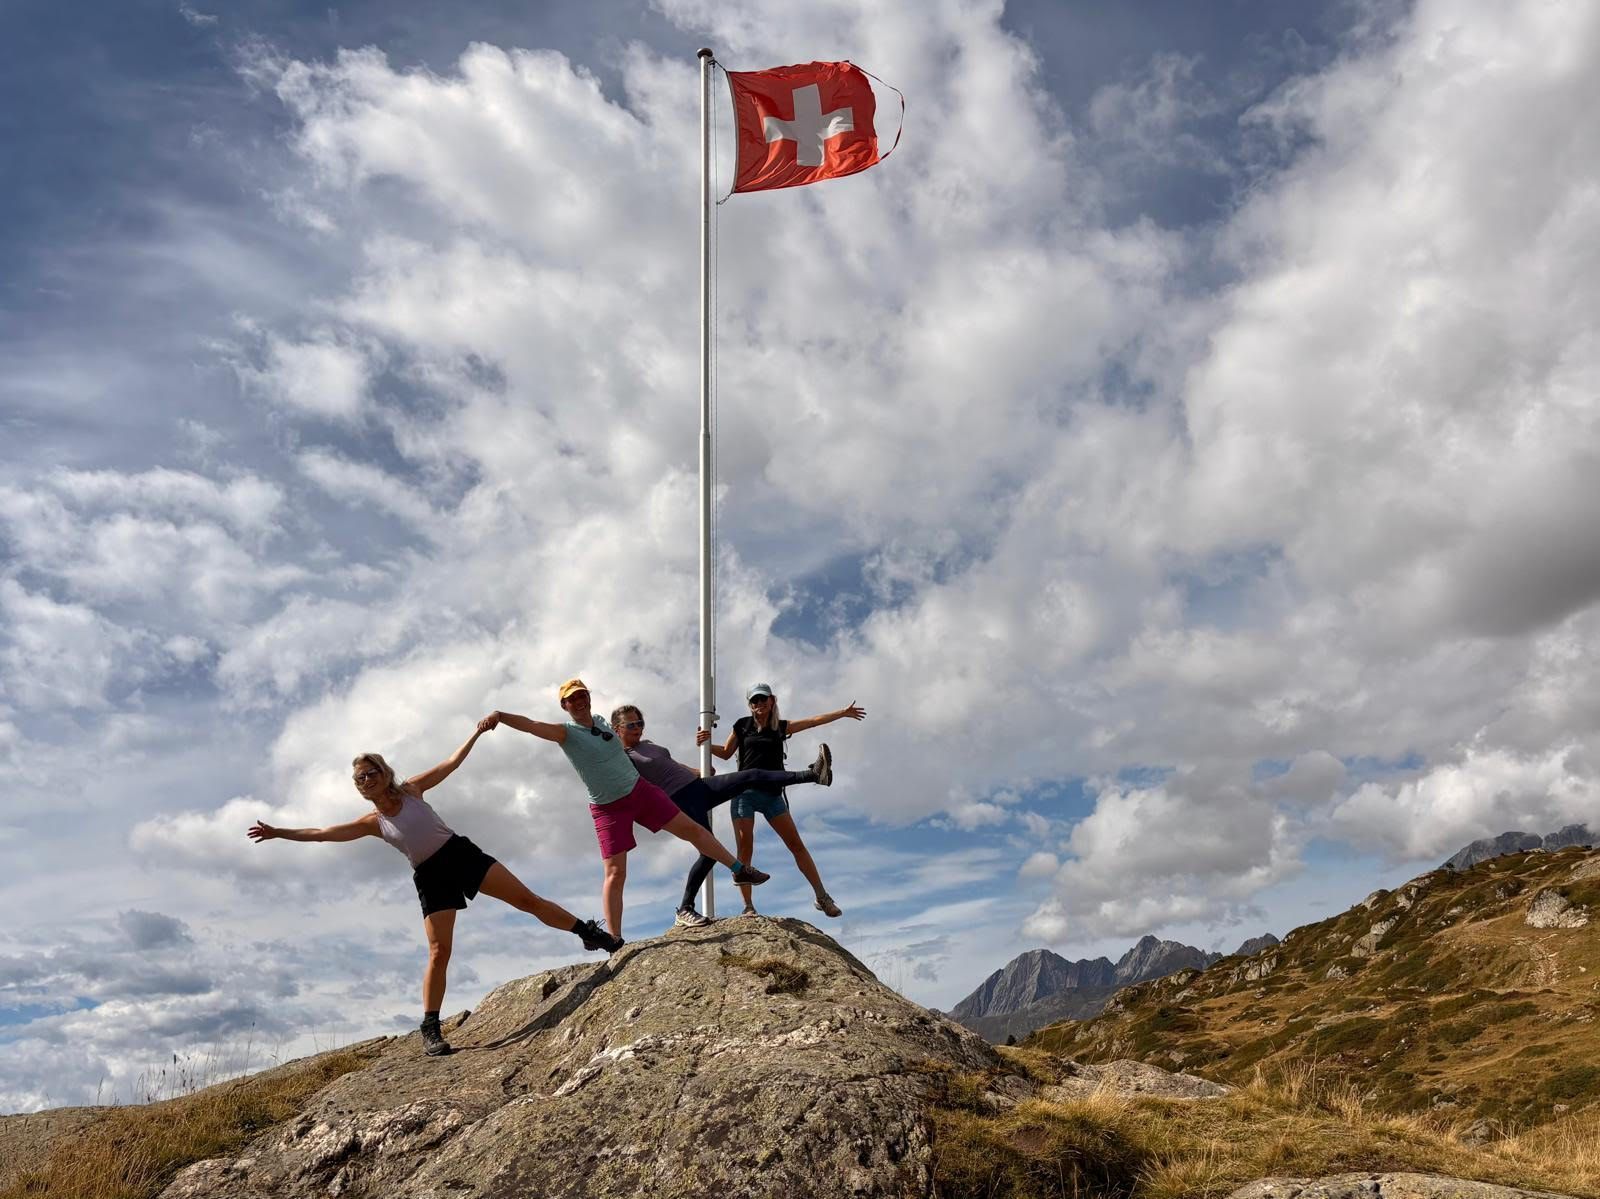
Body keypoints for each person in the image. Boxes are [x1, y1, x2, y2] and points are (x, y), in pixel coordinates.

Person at [246, 725, 619, 1058]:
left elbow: (451, 763)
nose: (364, 781)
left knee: (527, 900)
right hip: (429, 875)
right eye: (359, 779)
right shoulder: (372, 823)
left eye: (369, 773)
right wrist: (280, 832)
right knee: (439, 951)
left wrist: (476, 733)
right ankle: (431, 1027)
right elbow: (323, 833)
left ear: (384, 772)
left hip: (460, 854)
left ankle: (590, 934)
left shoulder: (411, 791)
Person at [479, 678, 771, 940]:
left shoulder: (603, 722)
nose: (579, 701)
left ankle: (738, 869)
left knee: (692, 830)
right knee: (616, 873)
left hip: (640, 792)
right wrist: (501, 716)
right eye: (572, 698)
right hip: (607, 808)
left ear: (588, 698)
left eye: (582, 695)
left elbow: (635, 743)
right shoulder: (565, 733)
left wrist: (694, 769)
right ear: (564, 705)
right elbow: (532, 725)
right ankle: (614, 940)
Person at [609, 703, 833, 928]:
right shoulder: (623, 758)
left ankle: (814, 775)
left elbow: (670, 764)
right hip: (680, 800)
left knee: (750, 776)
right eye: (631, 724)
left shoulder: (647, 745)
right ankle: (685, 908)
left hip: (698, 787)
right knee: (709, 852)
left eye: (640, 722)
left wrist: (695, 771)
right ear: (617, 729)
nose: (638, 727)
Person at [705, 682, 865, 919]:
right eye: (754, 701)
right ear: (749, 705)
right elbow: (728, 752)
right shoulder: (742, 725)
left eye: (763, 699)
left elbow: (812, 721)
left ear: (772, 700)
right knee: (745, 849)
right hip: (744, 793)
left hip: (772, 794)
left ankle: (822, 897)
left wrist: (842, 713)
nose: (759, 704)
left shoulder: (780, 727)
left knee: (796, 845)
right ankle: (748, 906)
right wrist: (705, 744)